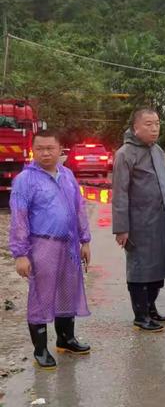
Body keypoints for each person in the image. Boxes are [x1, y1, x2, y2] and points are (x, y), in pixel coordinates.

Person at [9, 130, 91, 370]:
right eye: (41, 148)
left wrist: (85, 240)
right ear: (33, 150)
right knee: (41, 296)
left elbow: (79, 208)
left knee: (67, 291)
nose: (46, 153)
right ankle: (40, 349)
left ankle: (66, 339)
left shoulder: (67, 176)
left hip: (70, 244)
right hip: (42, 244)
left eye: (50, 148)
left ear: (60, 150)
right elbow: (19, 218)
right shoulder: (25, 180)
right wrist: (21, 254)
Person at [112, 108, 165, 332]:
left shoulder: (158, 151)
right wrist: (122, 228)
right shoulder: (125, 154)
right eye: (149, 124)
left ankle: (151, 308)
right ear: (136, 128)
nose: (154, 129)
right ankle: (140, 315)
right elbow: (120, 193)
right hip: (138, 224)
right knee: (140, 269)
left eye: (157, 124)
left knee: (159, 267)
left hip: (160, 221)